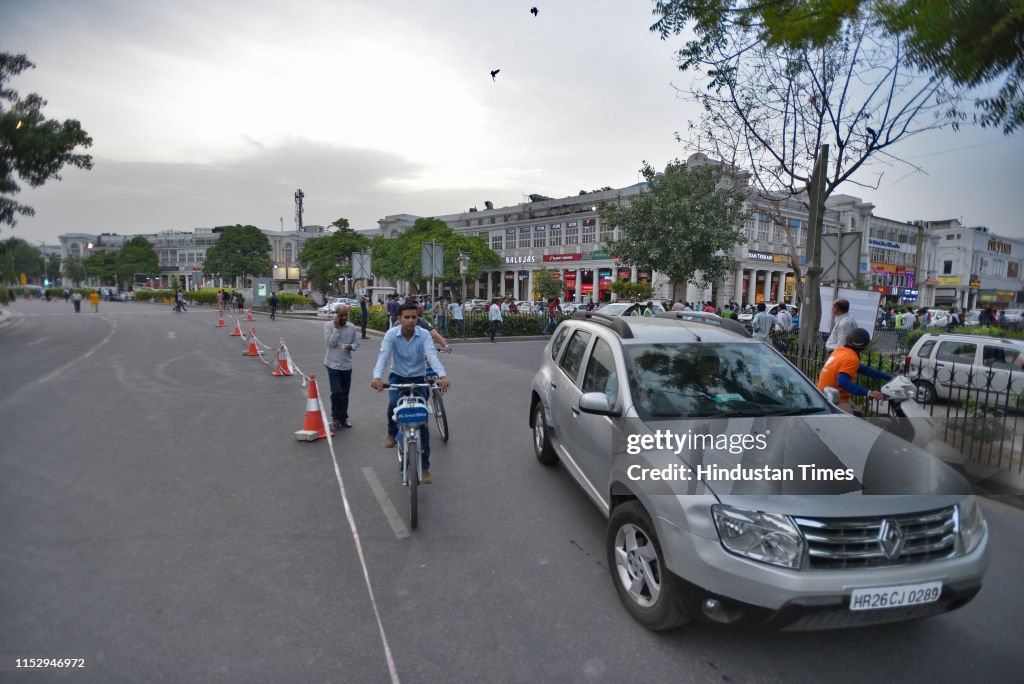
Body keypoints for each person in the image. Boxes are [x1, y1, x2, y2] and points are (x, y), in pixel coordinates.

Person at [371, 302, 450, 484]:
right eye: (406, 317)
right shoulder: (391, 335)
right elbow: (383, 356)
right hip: (398, 377)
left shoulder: (423, 335)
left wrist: (442, 375)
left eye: (414, 317)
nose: (410, 321)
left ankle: (424, 467)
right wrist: (377, 377)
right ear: (399, 318)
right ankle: (391, 433)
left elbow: (432, 356)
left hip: (419, 378)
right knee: (393, 405)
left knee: (422, 423)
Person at [817, 328, 892, 414]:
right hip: (833, 399)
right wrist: (869, 393)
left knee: (858, 413)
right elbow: (842, 381)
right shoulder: (851, 358)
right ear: (864, 346)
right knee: (857, 421)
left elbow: (864, 370)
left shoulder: (840, 351)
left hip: (824, 394)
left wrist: (888, 376)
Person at [324, 304, 359, 430]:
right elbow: (330, 343)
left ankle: (343, 417)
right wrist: (337, 329)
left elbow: (356, 343)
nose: (344, 317)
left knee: (344, 394)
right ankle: (335, 416)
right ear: (336, 315)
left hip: (346, 365)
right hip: (332, 364)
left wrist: (352, 347)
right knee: (337, 392)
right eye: (341, 315)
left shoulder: (352, 327)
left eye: (346, 315)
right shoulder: (328, 326)